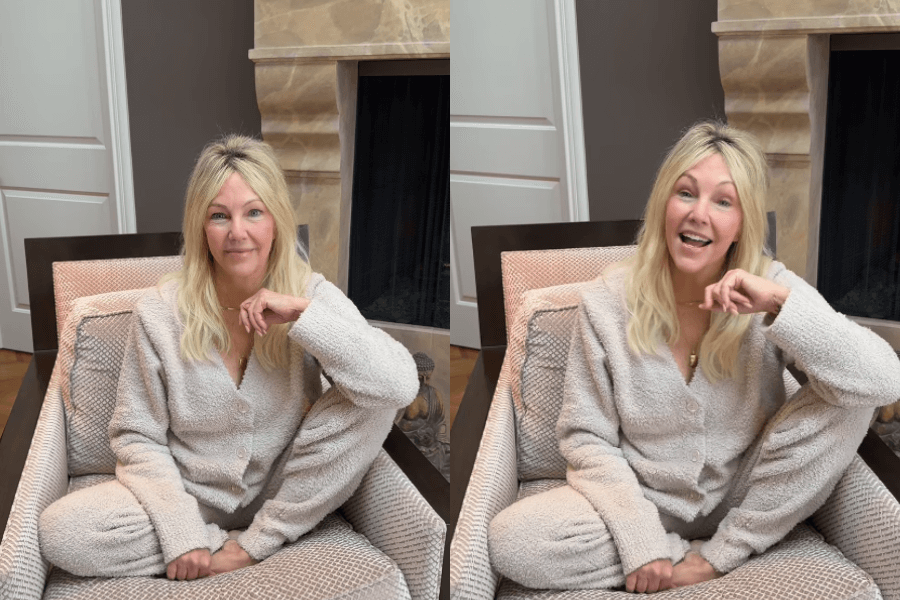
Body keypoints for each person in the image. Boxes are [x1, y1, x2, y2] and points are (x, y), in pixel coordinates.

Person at [487, 122, 900, 593]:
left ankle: (721, 556)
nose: (699, 214)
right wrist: (643, 542)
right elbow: (586, 439)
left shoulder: (768, 285)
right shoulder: (606, 301)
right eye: (686, 193)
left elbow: (883, 379)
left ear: (741, 222)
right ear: (665, 202)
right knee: (513, 541)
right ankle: (676, 554)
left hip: (745, 492)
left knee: (854, 394)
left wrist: (779, 305)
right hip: (642, 497)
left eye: (723, 201)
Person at [38, 135, 419, 580]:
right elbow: (136, 437)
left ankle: (256, 545)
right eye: (220, 216)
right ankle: (216, 546)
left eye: (253, 212)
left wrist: (304, 316)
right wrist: (184, 534)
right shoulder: (160, 313)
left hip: (286, 489)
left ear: (276, 219)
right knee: (64, 532)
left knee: (375, 399)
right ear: (202, 227)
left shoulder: (311, 294)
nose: (237, 233)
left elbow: (399, 385)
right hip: (189, 494)